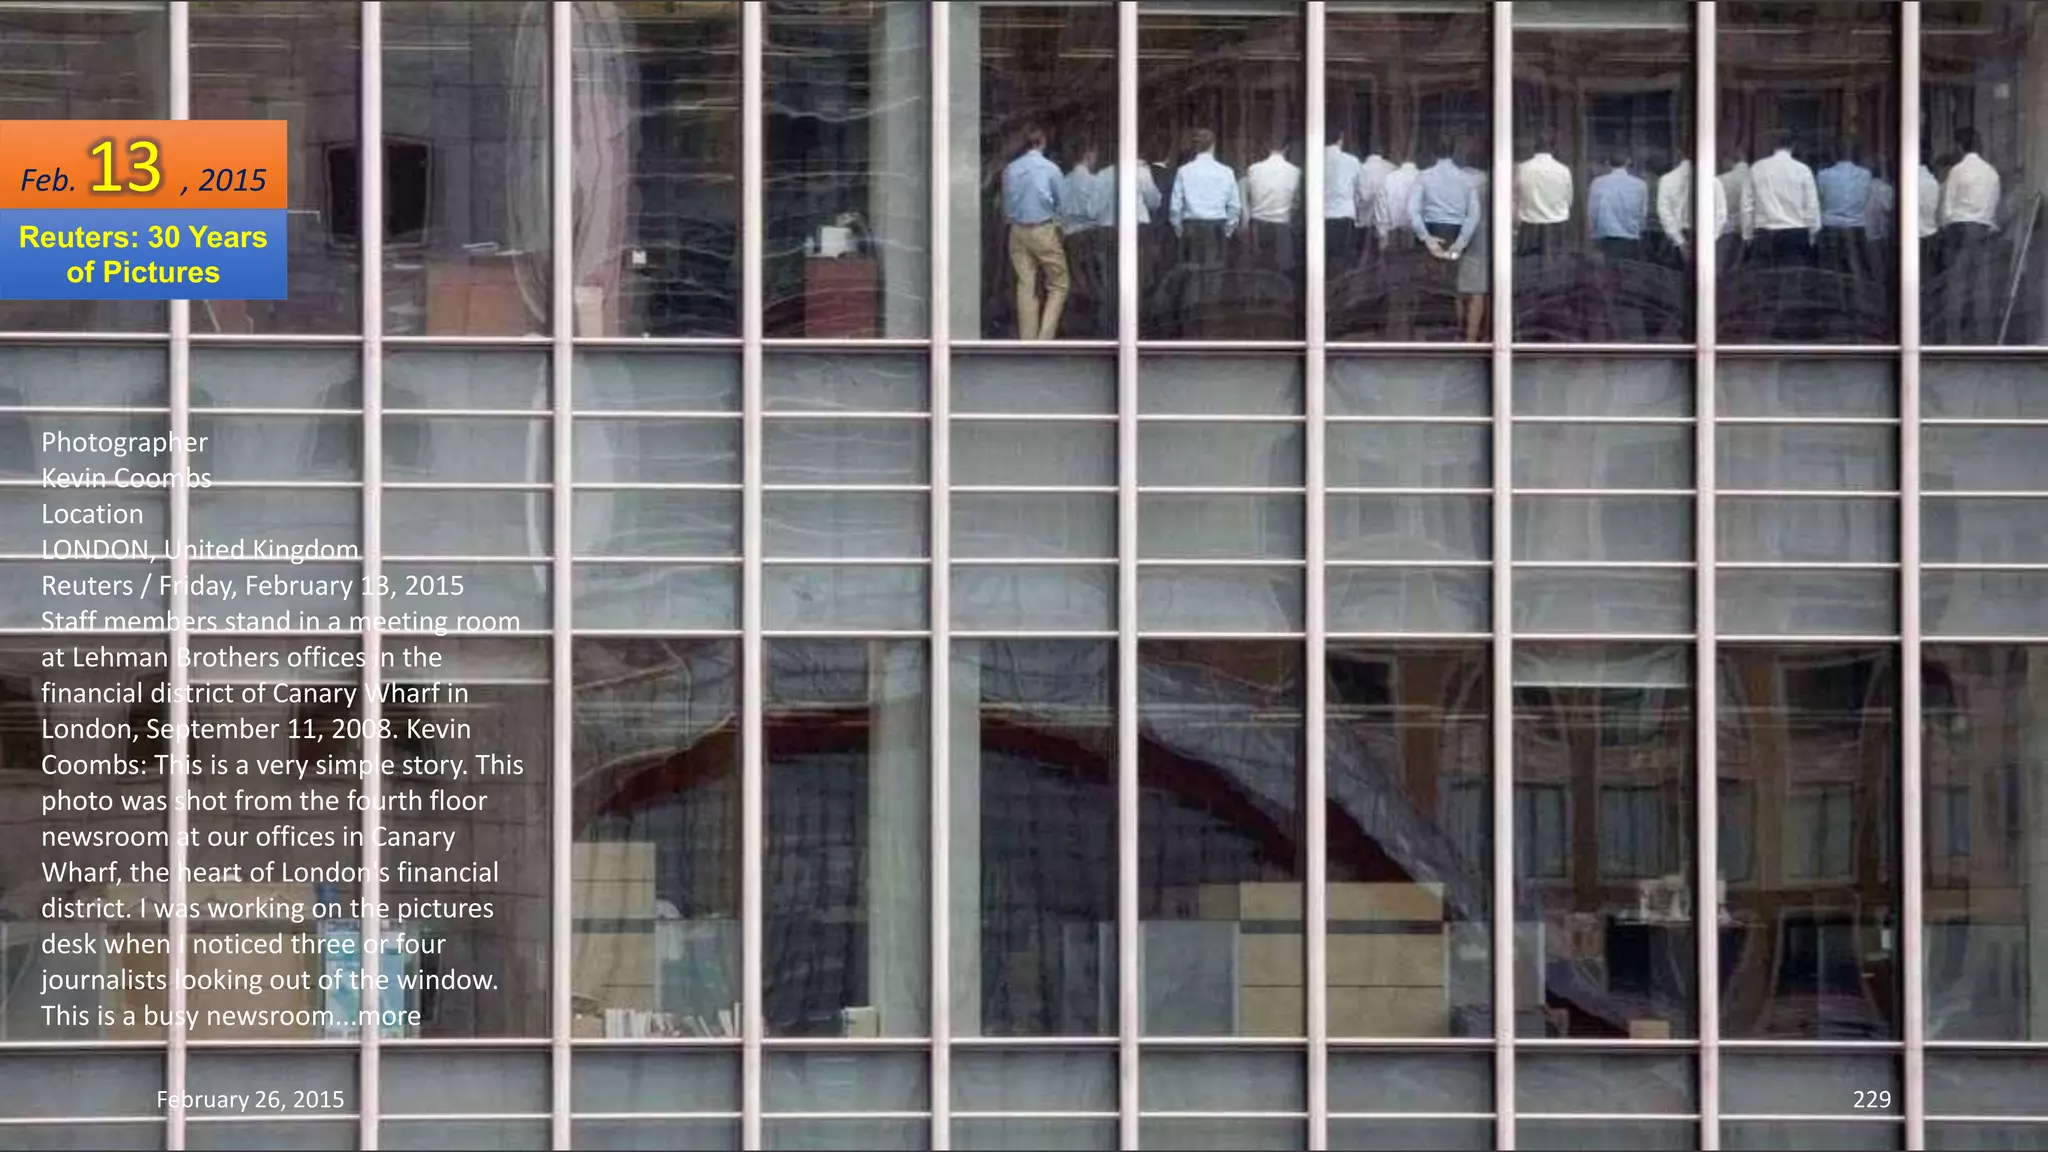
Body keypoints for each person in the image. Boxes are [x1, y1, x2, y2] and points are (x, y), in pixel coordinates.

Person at [1740, 130, 1820, 340]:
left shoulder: (1757, 168)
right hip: (1795, 232)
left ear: (1772, 145)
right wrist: (1812, 233)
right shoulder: (1802, 169)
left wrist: (1747, 236)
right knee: (1793, 282)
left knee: (1766, 283)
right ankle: (1789, 328)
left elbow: (1747, 206)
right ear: (1793, 146)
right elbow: (1811, 206)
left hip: (1765, 232)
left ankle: (1764, 328)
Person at [1168, 127, 1241, 338]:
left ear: (1195, 147)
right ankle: (1210, 327)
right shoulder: (1226, 172)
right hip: (1216, 227)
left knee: (1191, 278)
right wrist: (1228, 230)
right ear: (1213, 145)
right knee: (1214, 278)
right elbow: (1234, 206)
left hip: (1191, 227)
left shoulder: (1184, 171)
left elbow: (1175, 207)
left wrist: (1179, 230)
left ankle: (1189, 327)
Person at [1410, 136, 1482, 339]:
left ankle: (1430, 330)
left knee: (1428, 284)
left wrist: (1426, 238)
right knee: (1453, 286)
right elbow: (1474, 215)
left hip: (1432, 229)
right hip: (1456, 231)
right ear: (1454, 151)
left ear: (1433, 153)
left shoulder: (1423, 176)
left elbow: (1412, 211)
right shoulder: (1466, 179)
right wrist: (1460, 243)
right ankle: (1453, 331)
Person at [1002, 125, 1068, 340]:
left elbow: (1007, 207)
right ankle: (1045, 339)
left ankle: (1027, 340)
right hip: (1043, 229)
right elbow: (1063, 204)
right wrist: (1061, 229)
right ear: (1043, 142)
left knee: (1025, 285)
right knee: (1058, 284)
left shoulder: (1010, 169)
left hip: (1017, 231)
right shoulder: (1050, 169)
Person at [1938, 126, 2002, 343]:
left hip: (1959, 228)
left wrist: (1946, 227)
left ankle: (1953, 337)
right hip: (1983, 229)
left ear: (1959, 147)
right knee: (1982, 285)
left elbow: (1947, 205)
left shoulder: (1957, 171)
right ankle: (1983, 337)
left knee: (1955, 284)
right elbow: (1993, 205)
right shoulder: (1991, 172)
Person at [1240, 135, 1303, 334]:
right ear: (1287, 148)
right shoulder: (1295, 172)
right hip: (1282, 226)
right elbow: (1296, 202)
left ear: (1266, 146)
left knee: (1259, 272)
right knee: (1281, 274)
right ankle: (1279, 317)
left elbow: (1248, 197)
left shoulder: (1253, 169)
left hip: (1258, 226)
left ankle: (1258, 315)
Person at [1816, 137, 1875, 338]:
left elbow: (1820, 199)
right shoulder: (1865, 175)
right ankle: (1856, 309)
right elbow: (1867, 198)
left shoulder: (1823, 175)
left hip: (1831, 226)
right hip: (1856, 226)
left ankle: (1834, 308)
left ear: (1834, 153)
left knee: (1830, 271)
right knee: (1856, 270)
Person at [1587, 151, 1649, 340]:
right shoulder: (1641, 185)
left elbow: (1592, 213)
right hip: (1630, 239)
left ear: (1607, 162)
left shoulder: (1597, 183)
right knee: (1629, 282)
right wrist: (1637, 231)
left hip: (1606, 238)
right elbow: (1643, 215)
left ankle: (1611, 319)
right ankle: (1626, 321)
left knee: (1608, 283)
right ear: (1628, 161)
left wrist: (1591, 235)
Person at [1059, 140, 1112, 338]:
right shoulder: (1094, 182)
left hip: (1069, 236)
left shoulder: (1063, 181)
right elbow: (1096, 211)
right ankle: (1096, 329)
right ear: (1089, 154)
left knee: (1074, 282)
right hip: (1090, 236)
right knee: (1095, 283)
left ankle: (1074, 328)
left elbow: (1059, 212)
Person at [1369, 151, 1420, 338]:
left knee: (1391, 283)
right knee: (1414, 283)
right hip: (1415, 235)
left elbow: (1381, 211)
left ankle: (1389, 328)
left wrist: (1382, 237)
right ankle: (1411, 327)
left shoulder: (1389, 179)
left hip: (1394, 235)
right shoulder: (1422, 179)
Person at [1454, 139, 1490, 343]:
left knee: (1458, 285)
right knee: (1478, 288)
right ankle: (1471, 336)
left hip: (1457, 231)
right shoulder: (1488, 180)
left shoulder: (1456, 179)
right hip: (1482, 234)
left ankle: (1460, 328)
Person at [1324, 128, 1364, 271]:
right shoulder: (1352, 161)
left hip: (1320, 217)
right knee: (1342, 261)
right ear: (1340, 139)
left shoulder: (1313, 160)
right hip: (1344, 215)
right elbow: (1360, 191)